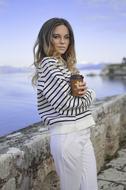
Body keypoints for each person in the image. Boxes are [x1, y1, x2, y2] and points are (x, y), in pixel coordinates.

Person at [33, 17, 98, 190]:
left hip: (83, 133)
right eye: (56, 36)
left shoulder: (65, 66)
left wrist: (82, 95)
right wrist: (91, 94)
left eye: (66, 37)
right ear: (47, 38)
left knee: (91, 187)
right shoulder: (48, 64)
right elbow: (66, 103)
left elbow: (73, 98)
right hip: (67, 136)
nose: (62, 41)